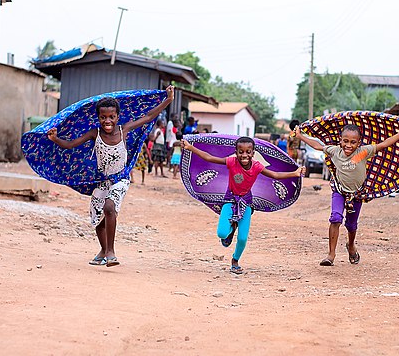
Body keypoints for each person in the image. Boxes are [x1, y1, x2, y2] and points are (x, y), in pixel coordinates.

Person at [47, 85, 174, 267]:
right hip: (103, 181)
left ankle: (111, 253)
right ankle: (103, 250)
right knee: (99, 222)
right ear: (98, 118)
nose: (108, 120)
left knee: (109, 207)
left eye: (111, 117)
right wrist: (55, 139)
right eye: (103, 117)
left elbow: (148, 116)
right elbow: (70, 145)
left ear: (117, 117)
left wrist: (168, 100)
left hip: (121, 179)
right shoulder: (94, 134)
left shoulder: (124, 130)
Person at [295, 122, 399, 266]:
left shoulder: (362, 153)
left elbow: (384, 144)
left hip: (356, 195)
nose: (348, 145)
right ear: (340, 140)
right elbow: (317, 145)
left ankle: (351, 246)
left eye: (353, 142)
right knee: (335, 218)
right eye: (345, 141)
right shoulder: (335, 152)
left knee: (351, 225)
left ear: (359, 143)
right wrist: (300, 136)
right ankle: (331, 255)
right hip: (339, 191)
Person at [181, 136, 305, 274]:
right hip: (229, 200)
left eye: (248, 152)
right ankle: (231, 229)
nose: (244, 155)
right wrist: (190, 147)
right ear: (236, 152)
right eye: (241, 152)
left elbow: (275, 175)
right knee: (221, 233)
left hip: (246, 203)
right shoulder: (231, 162)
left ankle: (235, 260)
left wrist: (295, 173)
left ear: (253, 153)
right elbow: (210, 158)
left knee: (242, 238)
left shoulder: (257, 166)